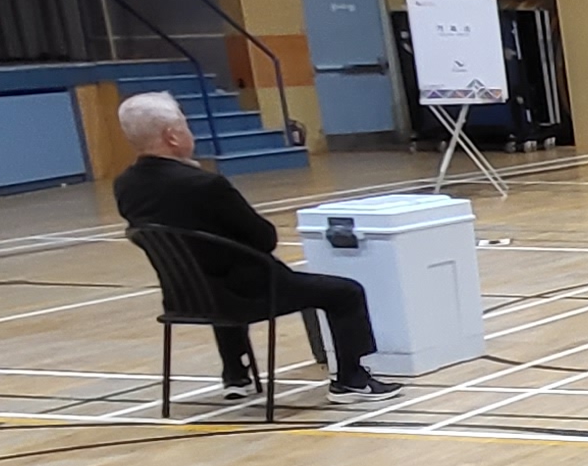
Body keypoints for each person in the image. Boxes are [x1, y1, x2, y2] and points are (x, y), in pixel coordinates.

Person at [106, 93, 402, 405]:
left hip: (185, 295)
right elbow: (264, 238)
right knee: (345, 292)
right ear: (172, 136)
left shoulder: (125, 185)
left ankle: (236, 375)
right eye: (186, 125)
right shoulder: (206, 185)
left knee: (213, 273)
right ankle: (352, 380)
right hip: (249, 295)